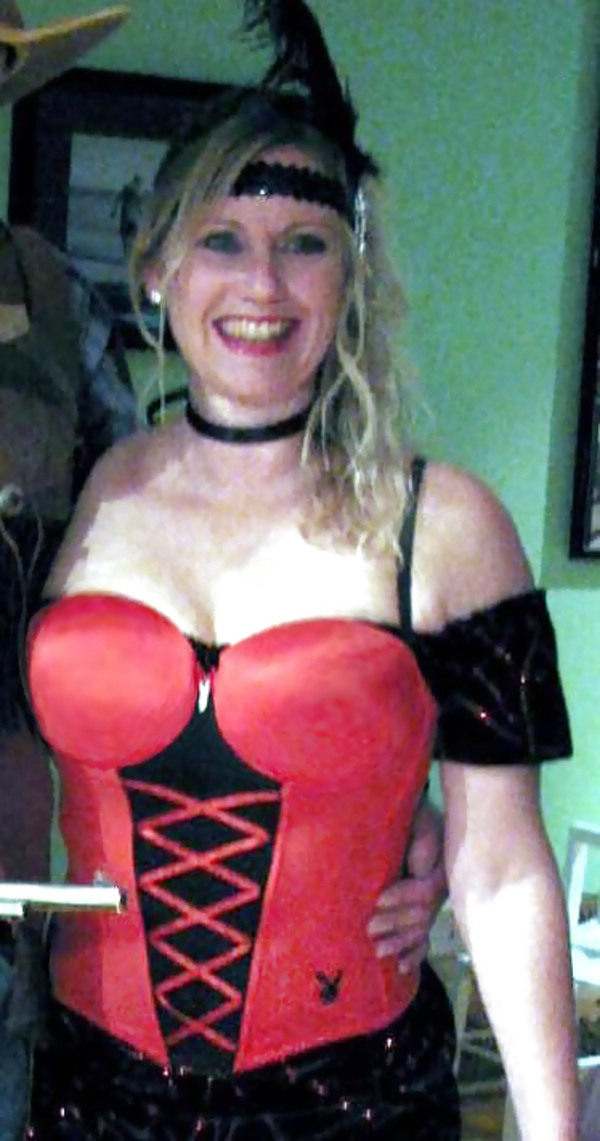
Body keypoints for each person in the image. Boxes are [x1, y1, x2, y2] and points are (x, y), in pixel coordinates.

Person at [23, 1, 578, 1138]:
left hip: (353, 1102)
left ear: (351, 273)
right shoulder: (76, 488)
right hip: (89, 1094)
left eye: (305, 243)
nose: (262, 286)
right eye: (221, 240)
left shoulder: (441, 524)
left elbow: (506, 870)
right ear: (158, 265)